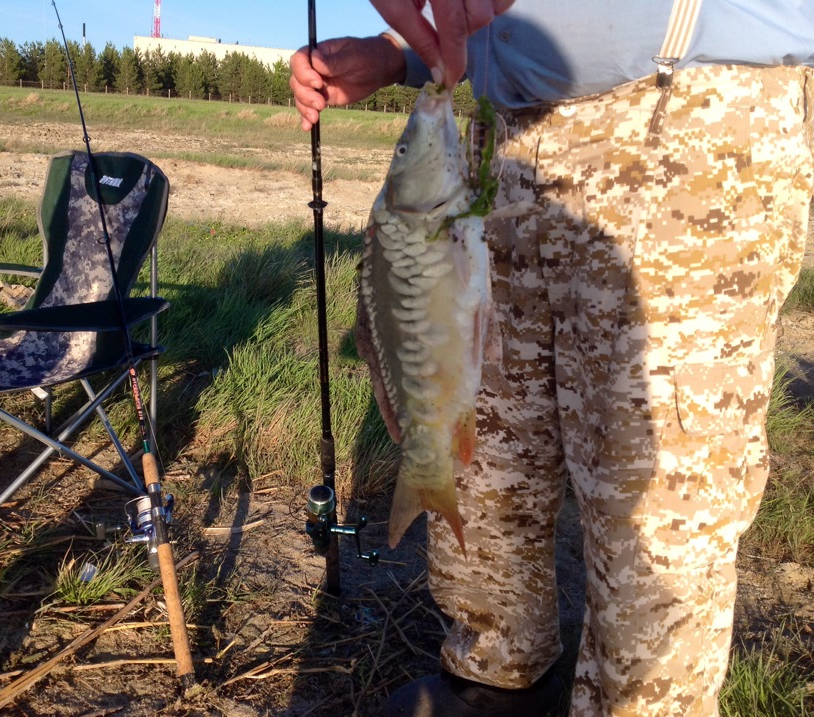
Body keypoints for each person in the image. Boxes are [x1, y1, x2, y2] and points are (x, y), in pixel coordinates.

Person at [291, 2, 814, 716]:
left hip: (688, 124)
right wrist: (404, 51)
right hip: (507, 141)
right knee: (486, 455)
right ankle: (494, 676)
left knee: (657, 502)